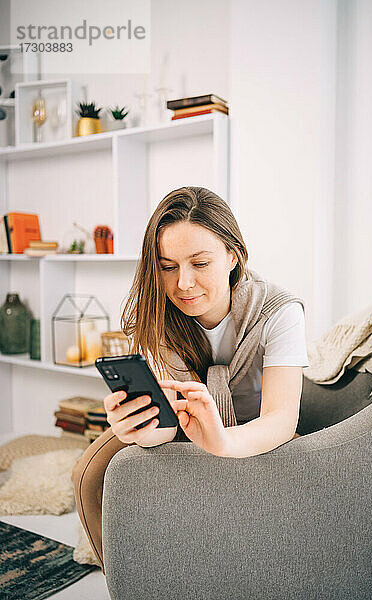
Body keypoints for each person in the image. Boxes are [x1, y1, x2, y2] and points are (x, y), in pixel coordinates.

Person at [71, 186, 309, 573]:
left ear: (233, 255)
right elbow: (167, 425)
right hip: (181, 423)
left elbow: (281, 419)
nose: (183, 283)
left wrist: (224, 440)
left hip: (251, 426)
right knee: (89, 473)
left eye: (200, 263)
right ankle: (125, 579)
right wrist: (141, 429)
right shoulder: (157, 313)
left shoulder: (280, 312)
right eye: (168, 267)